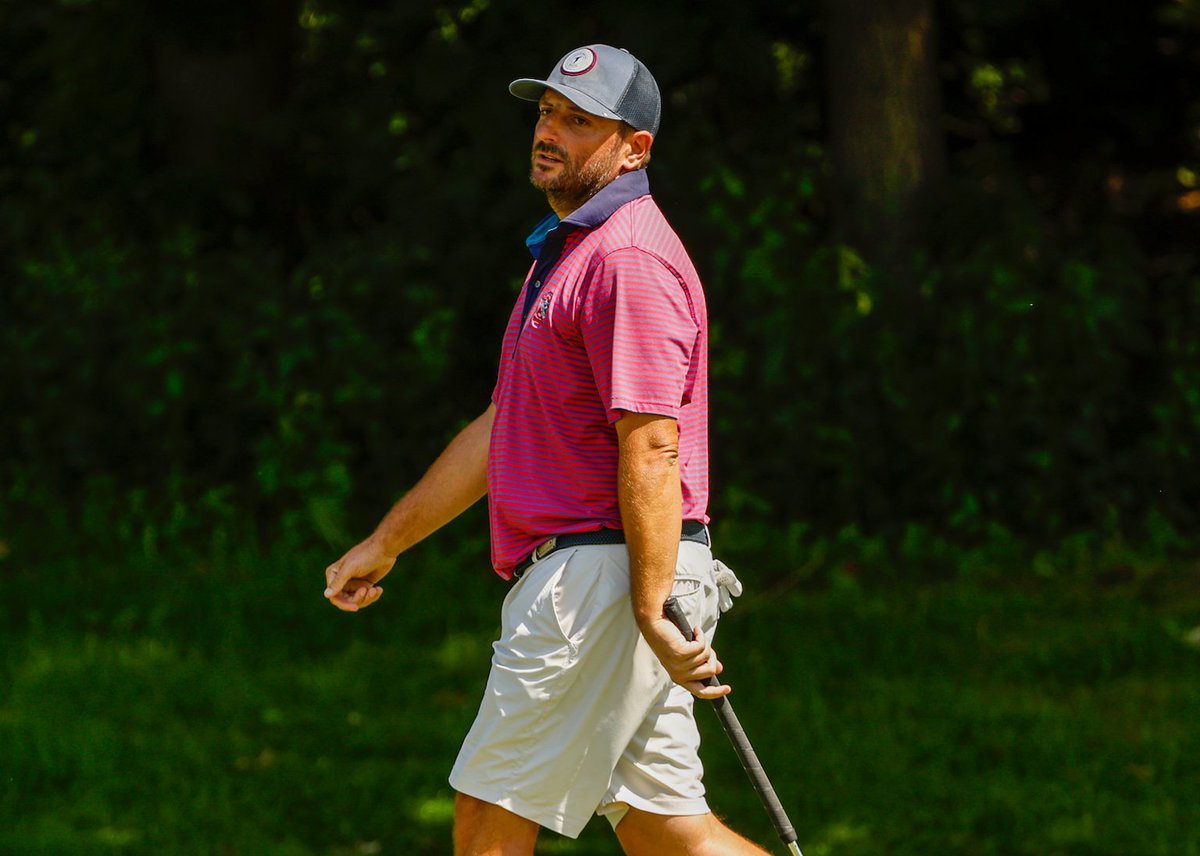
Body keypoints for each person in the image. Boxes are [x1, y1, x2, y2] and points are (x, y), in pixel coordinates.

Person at [323, 44, 768, 856]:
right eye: (547, 112)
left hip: (601, 576)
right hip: (612, 574)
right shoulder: (568, 257)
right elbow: (505, 427)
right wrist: (388, 542)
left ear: (635, 147)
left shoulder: (625, 258)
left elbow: (654, 444)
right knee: (672, 835)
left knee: (489, 819)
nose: (551, 132)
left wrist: (647, 603)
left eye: (580, 120)